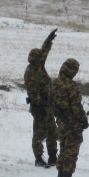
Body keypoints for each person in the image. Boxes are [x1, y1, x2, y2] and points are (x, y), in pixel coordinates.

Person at [24, 29, 59, 168]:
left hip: (48, 105)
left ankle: (52, 156)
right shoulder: (31, 72)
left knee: (52, 132)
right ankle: (39, 157)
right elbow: (32, 92)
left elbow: (44, 52)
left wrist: (49, 40)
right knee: (39, 133)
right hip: (40, 107)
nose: (42, 59)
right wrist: (40, 104)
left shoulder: (39, 66)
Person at [50, 58, 88, 177]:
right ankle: (67, 176)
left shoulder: (54, 83)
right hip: (72, 122)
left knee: (63, 147)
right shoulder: (71, 85)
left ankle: (60, 174)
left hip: (60, 121)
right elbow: (76, 106)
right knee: (72, 149)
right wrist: (83, 120)